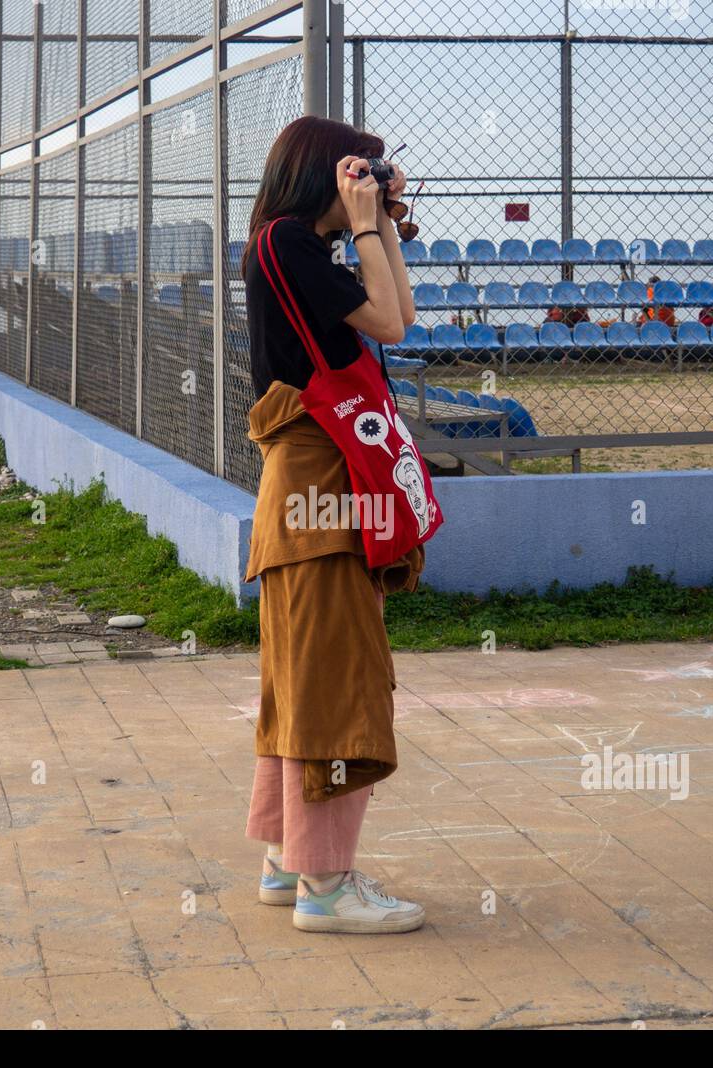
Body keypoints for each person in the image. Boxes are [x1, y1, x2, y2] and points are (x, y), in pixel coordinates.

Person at [240, 115, 426, 934]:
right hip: (321, 483)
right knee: (338, 677)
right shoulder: (285, 241)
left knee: (306, 673)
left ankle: (291, 862)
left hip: (321, 480)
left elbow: (400, 312)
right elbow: (385, 327)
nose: (373, 180)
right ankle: (327, 887)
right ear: (322, 169)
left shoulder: (301, 247)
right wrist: (361, 224)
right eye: (362, 169)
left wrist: (378, 224)